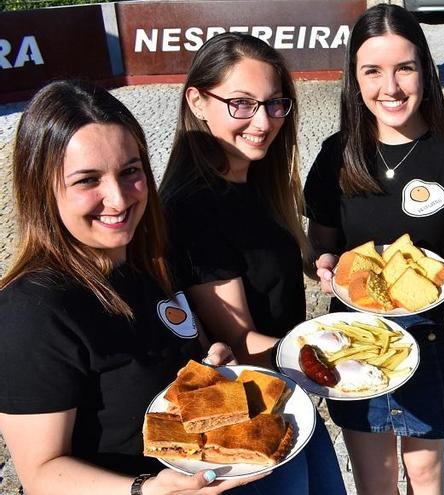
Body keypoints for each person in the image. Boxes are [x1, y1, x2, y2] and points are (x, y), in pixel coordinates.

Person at [0, 80, 263, 495]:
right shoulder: (32, 309)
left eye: (130, 172)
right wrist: (145, 489)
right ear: (41, 188)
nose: (119, 199)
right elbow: (41, 472)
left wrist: (211, 367)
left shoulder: (149, 259)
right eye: (88, 180)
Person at [304, 4, 444, 494]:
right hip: (355, 339)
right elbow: (320, 245)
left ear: (424, 70)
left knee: (425, 473)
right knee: (374, 475)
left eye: (404, 68)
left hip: (433, 340)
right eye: (373, 71)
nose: (391, 87)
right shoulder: (335, 155)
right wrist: (321, 263)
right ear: (355, 78)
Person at [159, 33, 344, 494]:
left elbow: (271, 261)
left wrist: (319, 262)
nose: (263, 122)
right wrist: (336, 353)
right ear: (198, 102)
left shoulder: (256, 177)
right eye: (241, 104)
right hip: (245, 420)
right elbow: (237, 339)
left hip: (284, 393)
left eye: (274, 104)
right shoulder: (195, 207)